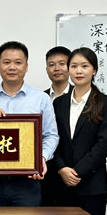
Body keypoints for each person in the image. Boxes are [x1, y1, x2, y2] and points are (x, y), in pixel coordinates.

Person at [0, 41, 59, 206]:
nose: (12, 67)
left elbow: (51, 135)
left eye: (18, 62)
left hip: (27, 182)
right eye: (6, 62)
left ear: (26, 67)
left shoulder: (41, 98)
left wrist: (41, 158)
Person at [52, 47, 107, 215]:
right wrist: (61, 168)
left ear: (94, 70)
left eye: (84, 66)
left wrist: (77, 172)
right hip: (61, 184)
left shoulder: (106, 103)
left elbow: (104, 144)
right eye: (73, 66)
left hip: (92, 186)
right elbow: (52, 138)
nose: (78, 71)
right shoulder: (59, 103)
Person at [42, 46, 73, 206]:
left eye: (62, 63)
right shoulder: (39, 98)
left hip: (73, 172)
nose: (57, 68)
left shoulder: (82, 97)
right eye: (51, 64)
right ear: (46, 69)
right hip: (45, 172)